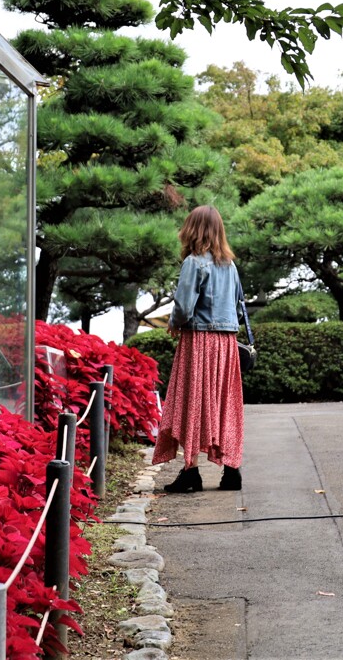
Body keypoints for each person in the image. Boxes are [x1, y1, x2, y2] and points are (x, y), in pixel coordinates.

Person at [153, 205, 246, 492]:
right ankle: (232, 471)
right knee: (224, 404)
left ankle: (191, 471)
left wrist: (173, 322)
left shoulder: (194, 263)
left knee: (193, 403)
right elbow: (239, 305)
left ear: (192, 229)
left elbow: (183, 307)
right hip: (226, 344)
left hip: (199, 342)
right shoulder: (229, 265)